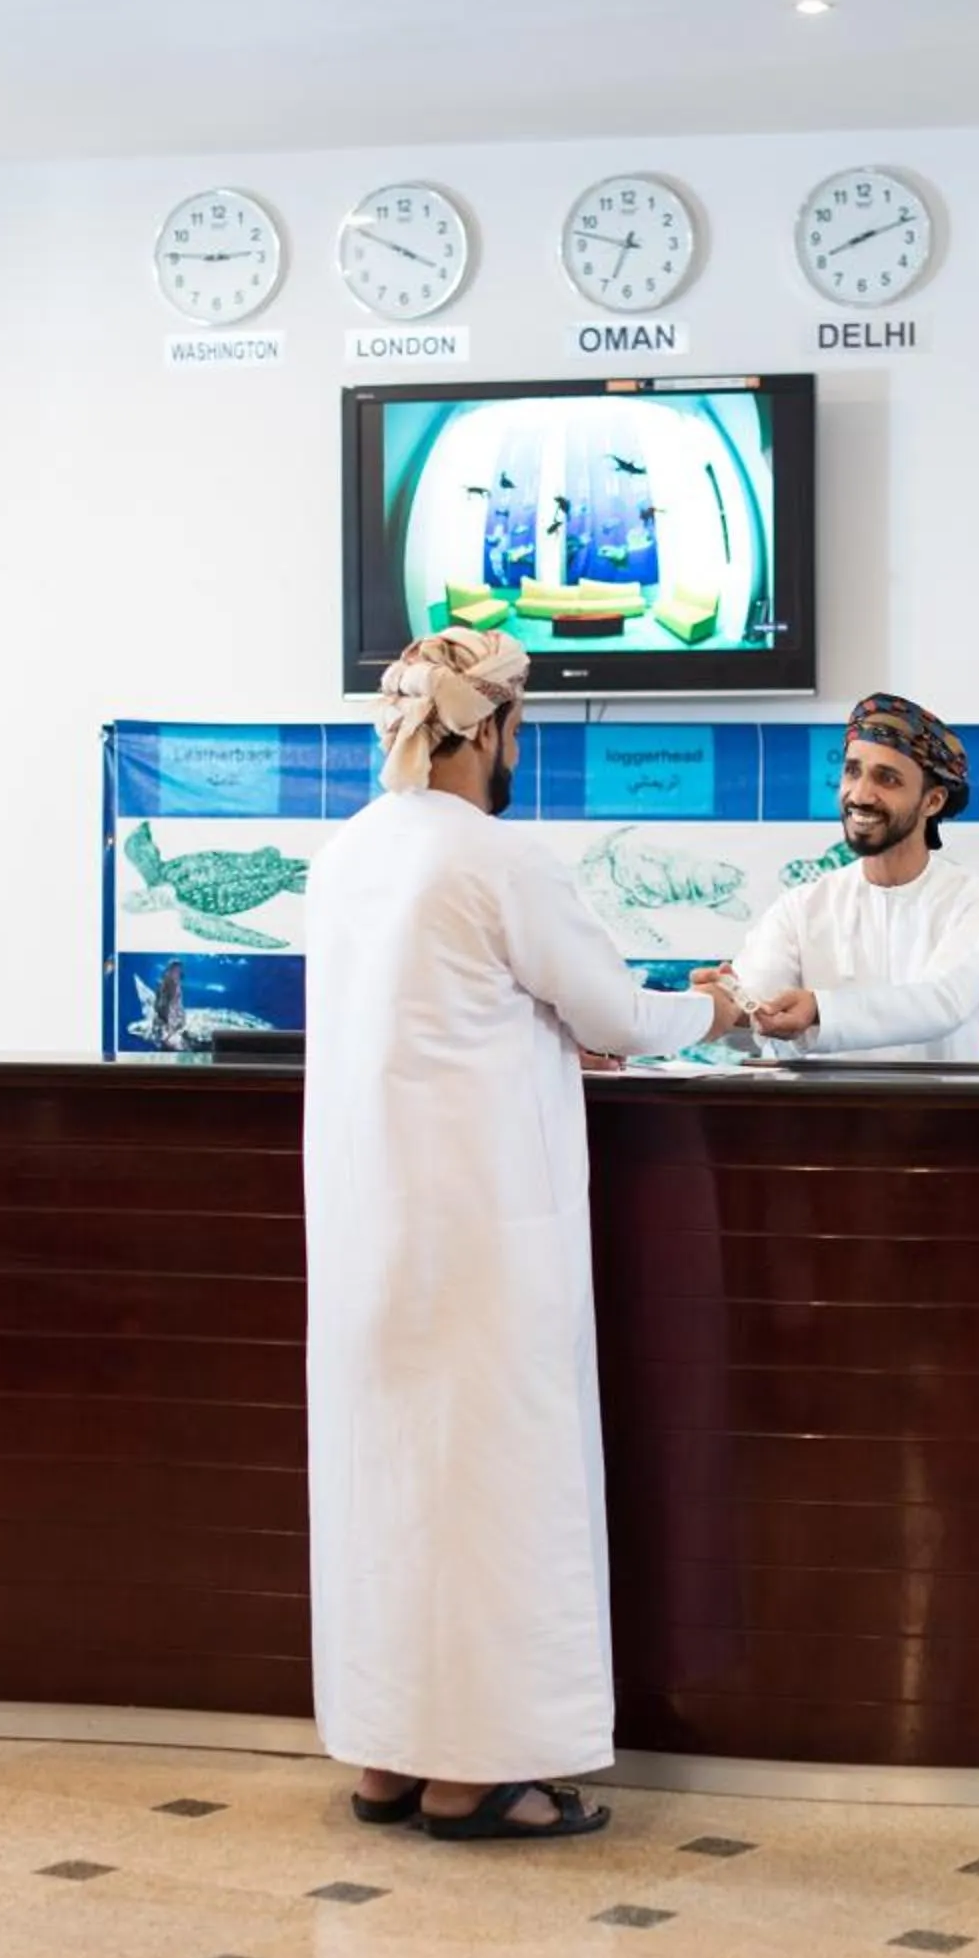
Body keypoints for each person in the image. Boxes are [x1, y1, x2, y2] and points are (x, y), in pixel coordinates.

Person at [302, 627, 744, 1842]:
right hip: (484, 1237)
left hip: (365, 1237)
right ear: (490, 730)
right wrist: (716, 1002)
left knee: (390, 1489)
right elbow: (617, 1013)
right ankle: (485, 1772)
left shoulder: (344, 857)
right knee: (496, 1492)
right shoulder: (498, 857)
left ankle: (391, 1756)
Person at [704, 692, 979, 1061]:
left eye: (887, 779)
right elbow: (754, 997)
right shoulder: (801, 908)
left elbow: (941, 1002)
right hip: (823, 1117)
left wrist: (819, 1009)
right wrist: (719, 1003)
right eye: (853, 771)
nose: (861, 794)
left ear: (932, 802)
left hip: (941, 1116)